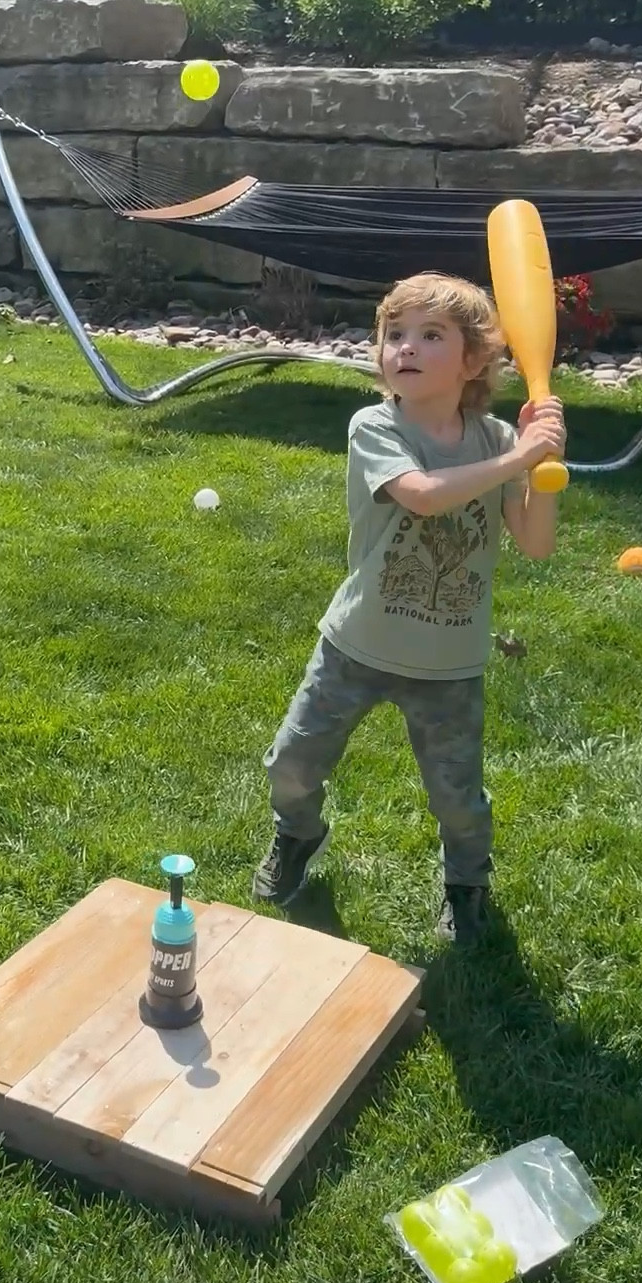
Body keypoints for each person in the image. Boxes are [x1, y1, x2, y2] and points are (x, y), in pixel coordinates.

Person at [252, 271, 566, 945]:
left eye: (431, 335)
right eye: (395, 334)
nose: (406, 348)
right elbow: (423, 494)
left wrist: (543, 467)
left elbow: (536, 545)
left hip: (449, 662)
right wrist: (521, 459)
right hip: (356, 645)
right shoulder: (375, 424)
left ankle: (467, 883)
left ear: (473, 359)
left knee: (458, 801)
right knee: (292, 765)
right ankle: (298, 834)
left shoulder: (495, 442)